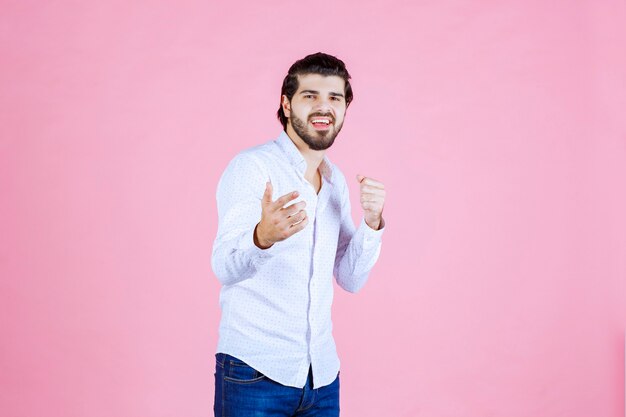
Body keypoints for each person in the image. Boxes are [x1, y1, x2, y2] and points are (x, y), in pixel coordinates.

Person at [211, 52, 386, 416]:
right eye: (310, 96)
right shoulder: (253, 167)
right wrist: (263, 236)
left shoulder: (335, 181)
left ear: (344, 109)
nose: (323, 107)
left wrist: (372, 222)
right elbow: (223, 267)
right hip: (254, 371)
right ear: (287, 104)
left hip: (320, 377)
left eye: (334, 98)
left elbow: (350, 279)